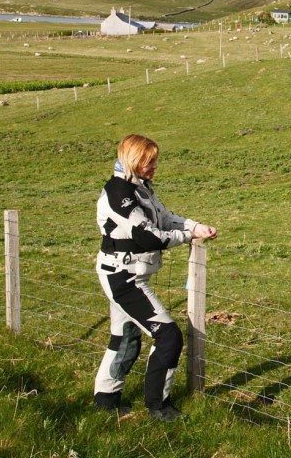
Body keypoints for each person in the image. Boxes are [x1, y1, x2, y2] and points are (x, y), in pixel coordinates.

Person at [93, 134, 217, 421]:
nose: (154, 167)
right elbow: (148, 236)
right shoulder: (118, 192)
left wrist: (196, 226)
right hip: (123, 277)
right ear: (133, 161)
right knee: (168, 336)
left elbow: (163, 218)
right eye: (149, 162)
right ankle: (158, 407)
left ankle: (105, 401)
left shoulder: (140, 187)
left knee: (125, 337)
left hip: (128, 273)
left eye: (155, 161)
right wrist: (186, 235)